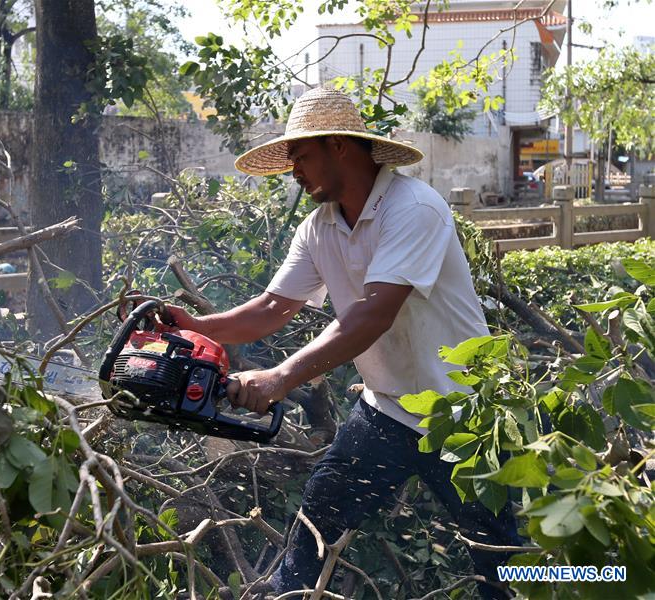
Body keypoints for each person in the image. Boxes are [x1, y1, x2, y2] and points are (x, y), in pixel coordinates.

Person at [164, 87, 520, 599]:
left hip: (464, 416)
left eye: (301, 156)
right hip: (390, 411)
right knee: (318, 522)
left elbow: (372, 315)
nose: (294, 172)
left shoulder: (414, 208)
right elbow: (270, 308)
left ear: (338, 145)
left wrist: (280, 377)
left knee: (497, 559)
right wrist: (195, 326)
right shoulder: (319, 228)